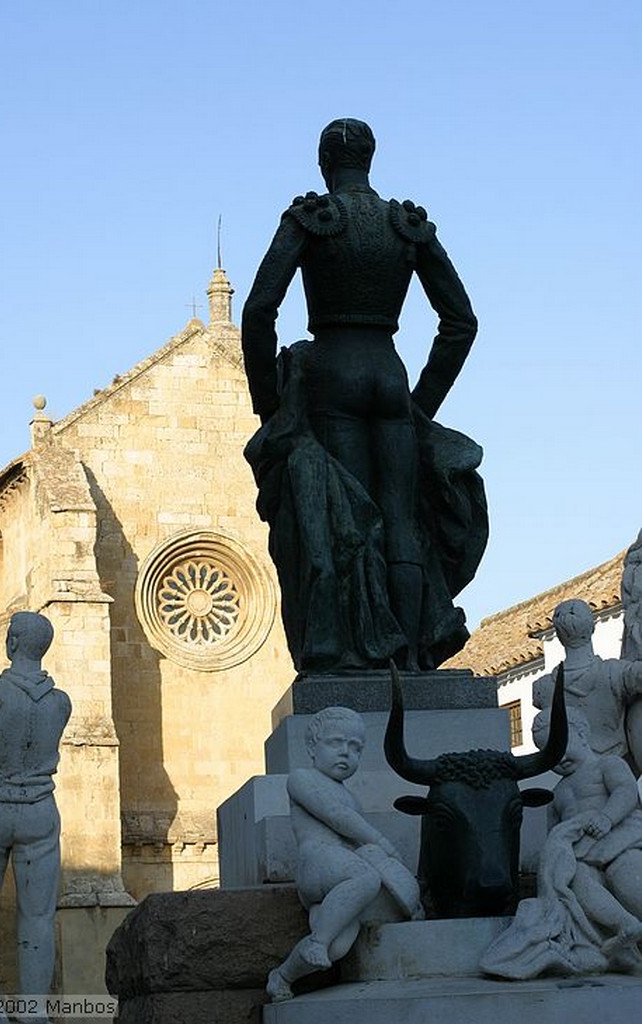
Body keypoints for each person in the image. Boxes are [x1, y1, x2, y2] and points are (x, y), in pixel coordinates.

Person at [242, 118, 487, 672]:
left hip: (332, 374)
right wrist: (420, 404)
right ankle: (413, 655)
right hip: (388, 372)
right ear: (370, 161)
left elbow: (259, 311)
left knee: (351, 515)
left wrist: (270, 404)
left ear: (324, 163)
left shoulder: (311, 220)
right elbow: (460, 323)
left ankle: (369, 649)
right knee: (401, 517)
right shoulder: (407, 227)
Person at [266, 706, 422, 1002]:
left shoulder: (350, 795)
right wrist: (381, 841)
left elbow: (353, 839)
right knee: (364, 877)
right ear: (312, 747)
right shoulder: (301, 778)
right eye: (335, 743)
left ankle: (283, 976)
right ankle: (318, 940)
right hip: (317, 864)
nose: (346, 753)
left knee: (338, 947)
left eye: (355, 747)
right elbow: (336, 817)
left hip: (339, 876)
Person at [0, 612, 71, 1017]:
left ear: (10, 643)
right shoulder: (61, 703)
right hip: (41, 812)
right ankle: (35, 1011)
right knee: (38, 916)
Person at [481, 707, 642, 979]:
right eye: (551, 753)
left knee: (625, 876)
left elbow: (626, 792)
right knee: (575, 882)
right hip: (580, 853)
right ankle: (625, 926)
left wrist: (606, 817)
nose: (560, 757)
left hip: (619, 838)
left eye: (562, 746)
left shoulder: (608, 765)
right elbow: (555, 832)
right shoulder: (558, 792)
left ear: (582, 733)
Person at [533, 599, 642, 773]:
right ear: (592, 628)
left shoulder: (542, 688)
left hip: (575, 774)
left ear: (559, 636)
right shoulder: (617, 672)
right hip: (620, 765)